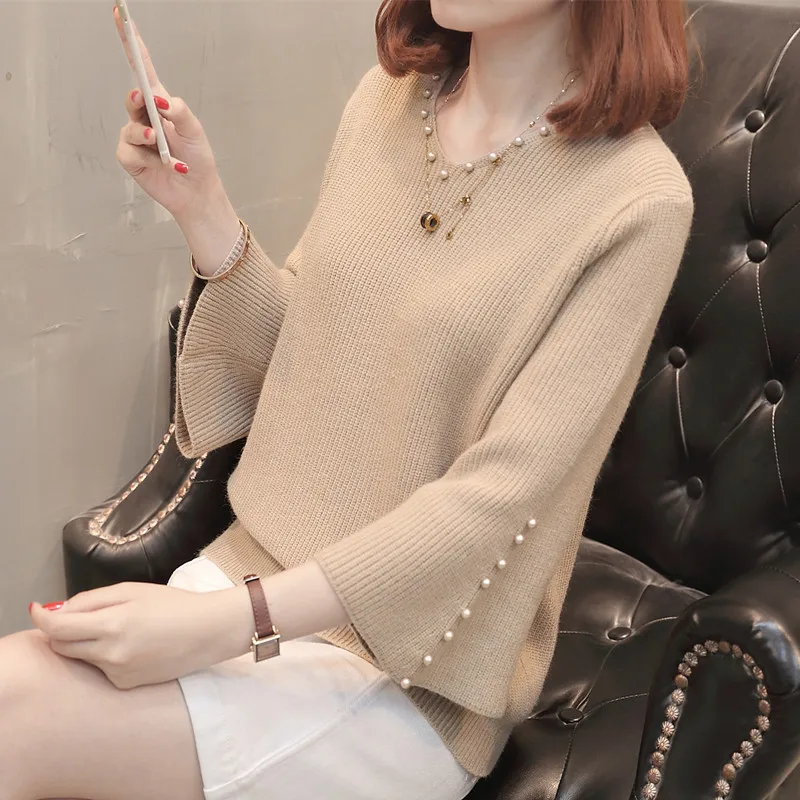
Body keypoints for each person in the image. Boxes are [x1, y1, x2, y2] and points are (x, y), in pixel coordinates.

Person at [1, 0, 695, 798]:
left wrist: (217, 627)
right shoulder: (386, 103)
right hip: (248, 585)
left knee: (15, 708)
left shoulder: (638, 201)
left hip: (406, 674)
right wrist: (202, 205)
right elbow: (307, 361)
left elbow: (499, 500)